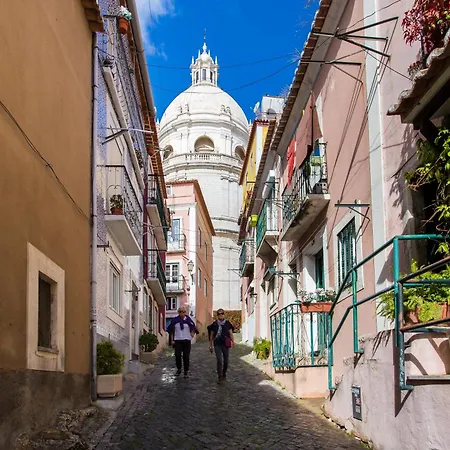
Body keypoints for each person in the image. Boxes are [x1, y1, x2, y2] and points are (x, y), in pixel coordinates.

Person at [167, 307, 199, 378]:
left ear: (185, 312)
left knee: (186, 356)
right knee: (177, 355)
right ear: (178, 312)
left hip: (186, 340)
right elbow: (171, 330)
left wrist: (192, 334)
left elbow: (193, 328)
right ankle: (179, 369)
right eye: (180, 311)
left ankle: (186, 371)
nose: (182, 313)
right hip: (177, 340)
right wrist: (172, 340)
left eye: (183, 312)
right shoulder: (175, 320)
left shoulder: (189, 320)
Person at [208, 309, 235, 383]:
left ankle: (224, 373)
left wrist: (233, 341)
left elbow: (230, 333)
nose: (221, 315)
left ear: (224, 314)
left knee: (226, 361)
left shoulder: (227, 323)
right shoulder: (214, 324)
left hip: (225, 344)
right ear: (217, 315)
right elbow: (211, 335)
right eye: (219, 314)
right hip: (217, 344)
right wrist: (210, 345)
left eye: (222, 313)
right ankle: (220, 376)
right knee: (219, 360)